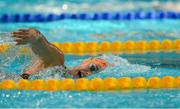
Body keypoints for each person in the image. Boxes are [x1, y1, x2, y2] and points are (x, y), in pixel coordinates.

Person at [11, 28, 109, 79]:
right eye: (92, 68)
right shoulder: (57, 61)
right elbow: (40, 42)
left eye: (94, 74)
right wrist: (33, 36)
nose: (88, 73)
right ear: (86, 60)